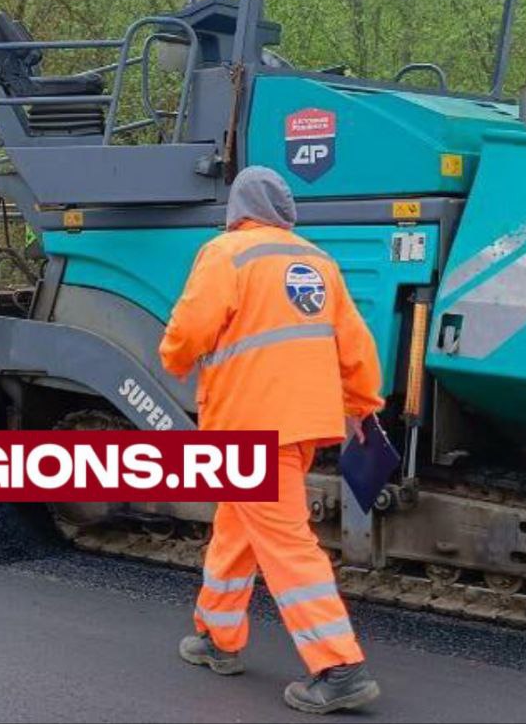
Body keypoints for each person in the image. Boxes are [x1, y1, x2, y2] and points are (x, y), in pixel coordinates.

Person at [159, 166, 384, 715]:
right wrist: (363, 404)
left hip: (250, 422)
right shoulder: (317, 261)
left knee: (285, 545)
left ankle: (339, 668)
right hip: (302, 422)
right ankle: (217, 636)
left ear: (238, 209)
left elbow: (190, 329)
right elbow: (355, 343)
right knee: (236, 529)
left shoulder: (228, 253)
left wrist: (174, 358)